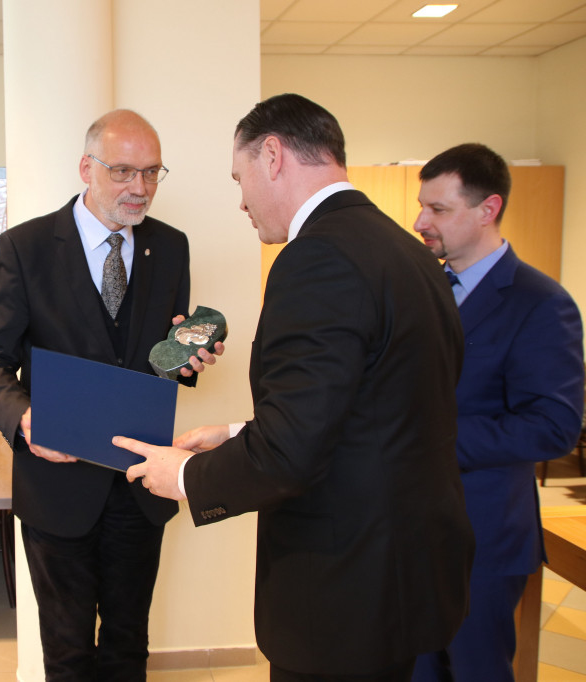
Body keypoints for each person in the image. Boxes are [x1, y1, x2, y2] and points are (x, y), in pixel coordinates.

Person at [112, 94, 475, 681]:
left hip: (343, 590)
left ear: (273, 155)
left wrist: (181, 475)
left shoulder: (316, 259)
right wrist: (234, 434)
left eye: (240, 177)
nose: (241, 200)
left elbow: (293, 454)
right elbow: (367, 411)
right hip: (406, 574)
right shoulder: (407, 254)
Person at [0, 109, 219, 681]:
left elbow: (159, 360)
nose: (141, 189)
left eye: (153, 173)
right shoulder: (25, 247)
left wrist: (190, 361)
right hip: (57, 486)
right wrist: (24, 418)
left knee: (129, 645)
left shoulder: (171, 247)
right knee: (67, 652)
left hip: (141, 481)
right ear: (86, 167)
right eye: (124, 172)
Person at [409, 144, 584, 681]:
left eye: (437, 209)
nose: (420, 222)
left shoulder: (540, 302)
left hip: (483, 535)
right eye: (423, 206)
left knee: (475, 670)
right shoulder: (423, 287)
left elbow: (553, 425)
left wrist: (430, 441)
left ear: (488, 209)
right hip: (409, 527)